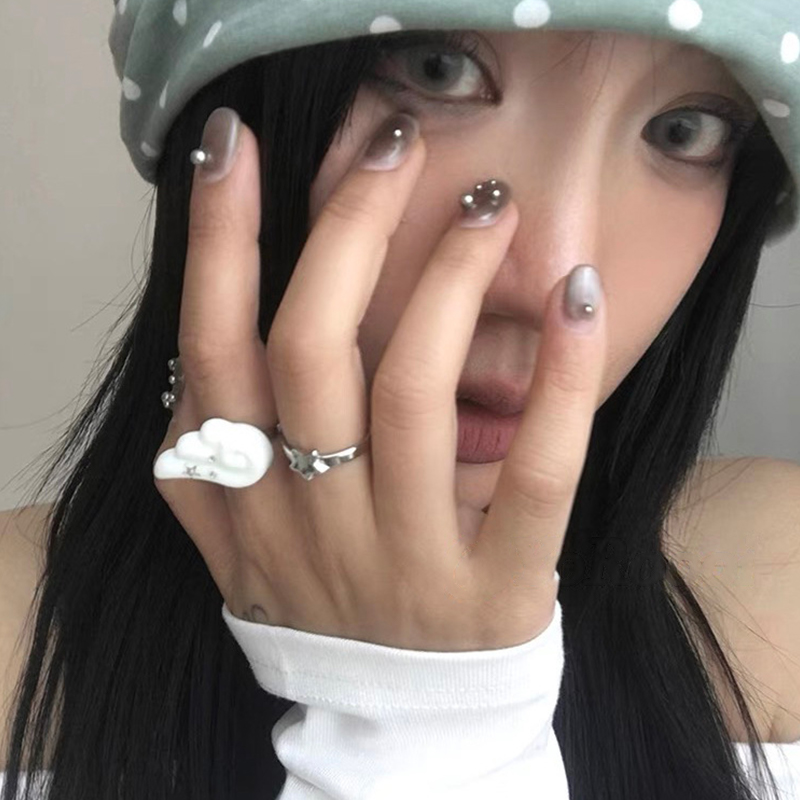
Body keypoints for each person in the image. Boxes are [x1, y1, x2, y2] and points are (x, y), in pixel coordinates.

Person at [1, 0, 799, 798]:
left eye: (684, 131)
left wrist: (431, 725)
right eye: (436, 69)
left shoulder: (776, 597)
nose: (554, 273)